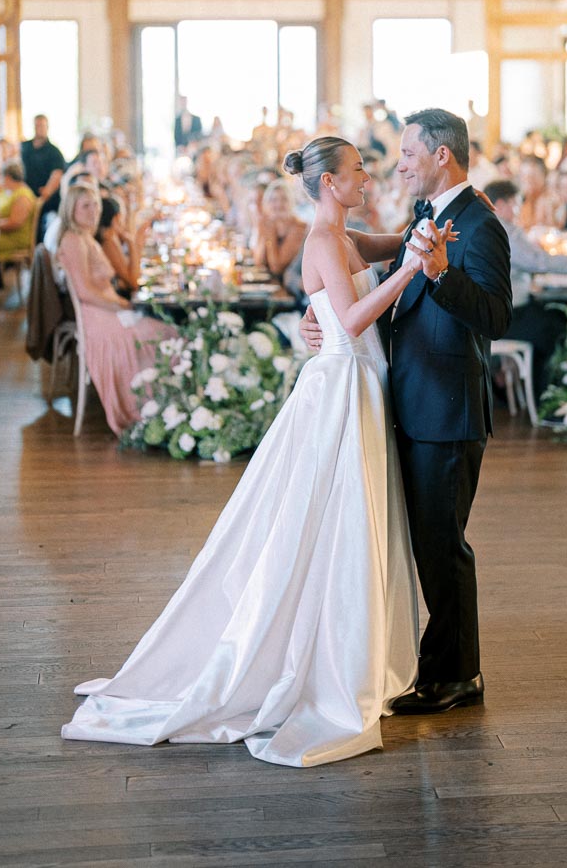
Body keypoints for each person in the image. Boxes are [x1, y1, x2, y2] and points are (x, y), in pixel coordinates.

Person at [62, 136, 446, 766]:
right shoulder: (323, 242)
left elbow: (391, 246)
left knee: (347, 517)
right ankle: (312, 653)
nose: (368, 179)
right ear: (329, 184)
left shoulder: (343, 237)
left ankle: (351, 641)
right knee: (325, 517)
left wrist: (417, 242)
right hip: (341, 387)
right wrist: (408, 272)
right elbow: (348, 322)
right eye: (357, 172)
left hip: (359, 384)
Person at [303, 109, 513, 717]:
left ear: (441, 156)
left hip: (448, 409)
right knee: (423, 543)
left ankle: (457, 677)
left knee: (443, 547)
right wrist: (317, 311)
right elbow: (360, 279)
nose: (398, 166)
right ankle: (438, 665)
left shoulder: (479, 224)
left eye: (408, 156)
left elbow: (497, 317)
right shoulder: (426, 216)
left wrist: (443, 276)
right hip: (408, 401)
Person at [56, 184, 172, 436]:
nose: (93, 210)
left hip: (107, 309)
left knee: (164, 330)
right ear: (71, 209)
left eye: (95, 204)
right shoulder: (73, 240)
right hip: (98, 316)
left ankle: (163, 405)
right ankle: (151, 407)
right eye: (85, 205)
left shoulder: (86, 236)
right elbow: (85, 292)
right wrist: (124, 305)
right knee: (166, 334)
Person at [484, 179, 567, 400]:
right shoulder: (501, 229)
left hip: (494, 313)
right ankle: (544, 397)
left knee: (553, 319)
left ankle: (533, 393)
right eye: (515, 203)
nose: (518, 210)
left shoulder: (487, 226)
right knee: (557, 328)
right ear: (500, 204)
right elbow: (538, 262)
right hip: (507, 317)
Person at [251, 179, 307, 283]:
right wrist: (264, 232)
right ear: (267, 203)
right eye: (273, 200)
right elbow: (258, 263)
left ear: (291, 203)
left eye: (284, 199)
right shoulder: (267, 223)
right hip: (269, 286)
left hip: (291, 290)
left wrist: (270, 234)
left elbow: (276, 268)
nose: (278, 204)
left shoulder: (299, 227)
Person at [21, 115, 66, 240]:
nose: (39, 128)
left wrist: (45, 194)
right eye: (37, 125)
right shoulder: (24, 147)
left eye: (42, 125)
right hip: (25, 195)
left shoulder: (54, 152)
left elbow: (57, 175)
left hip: (45, 200)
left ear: (47, 127)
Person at [0, 162, 37, 264]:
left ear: (7, 177)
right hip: (2, 232)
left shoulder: (23, 195)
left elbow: (15, 223)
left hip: (14, 237)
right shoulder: (7, 191)